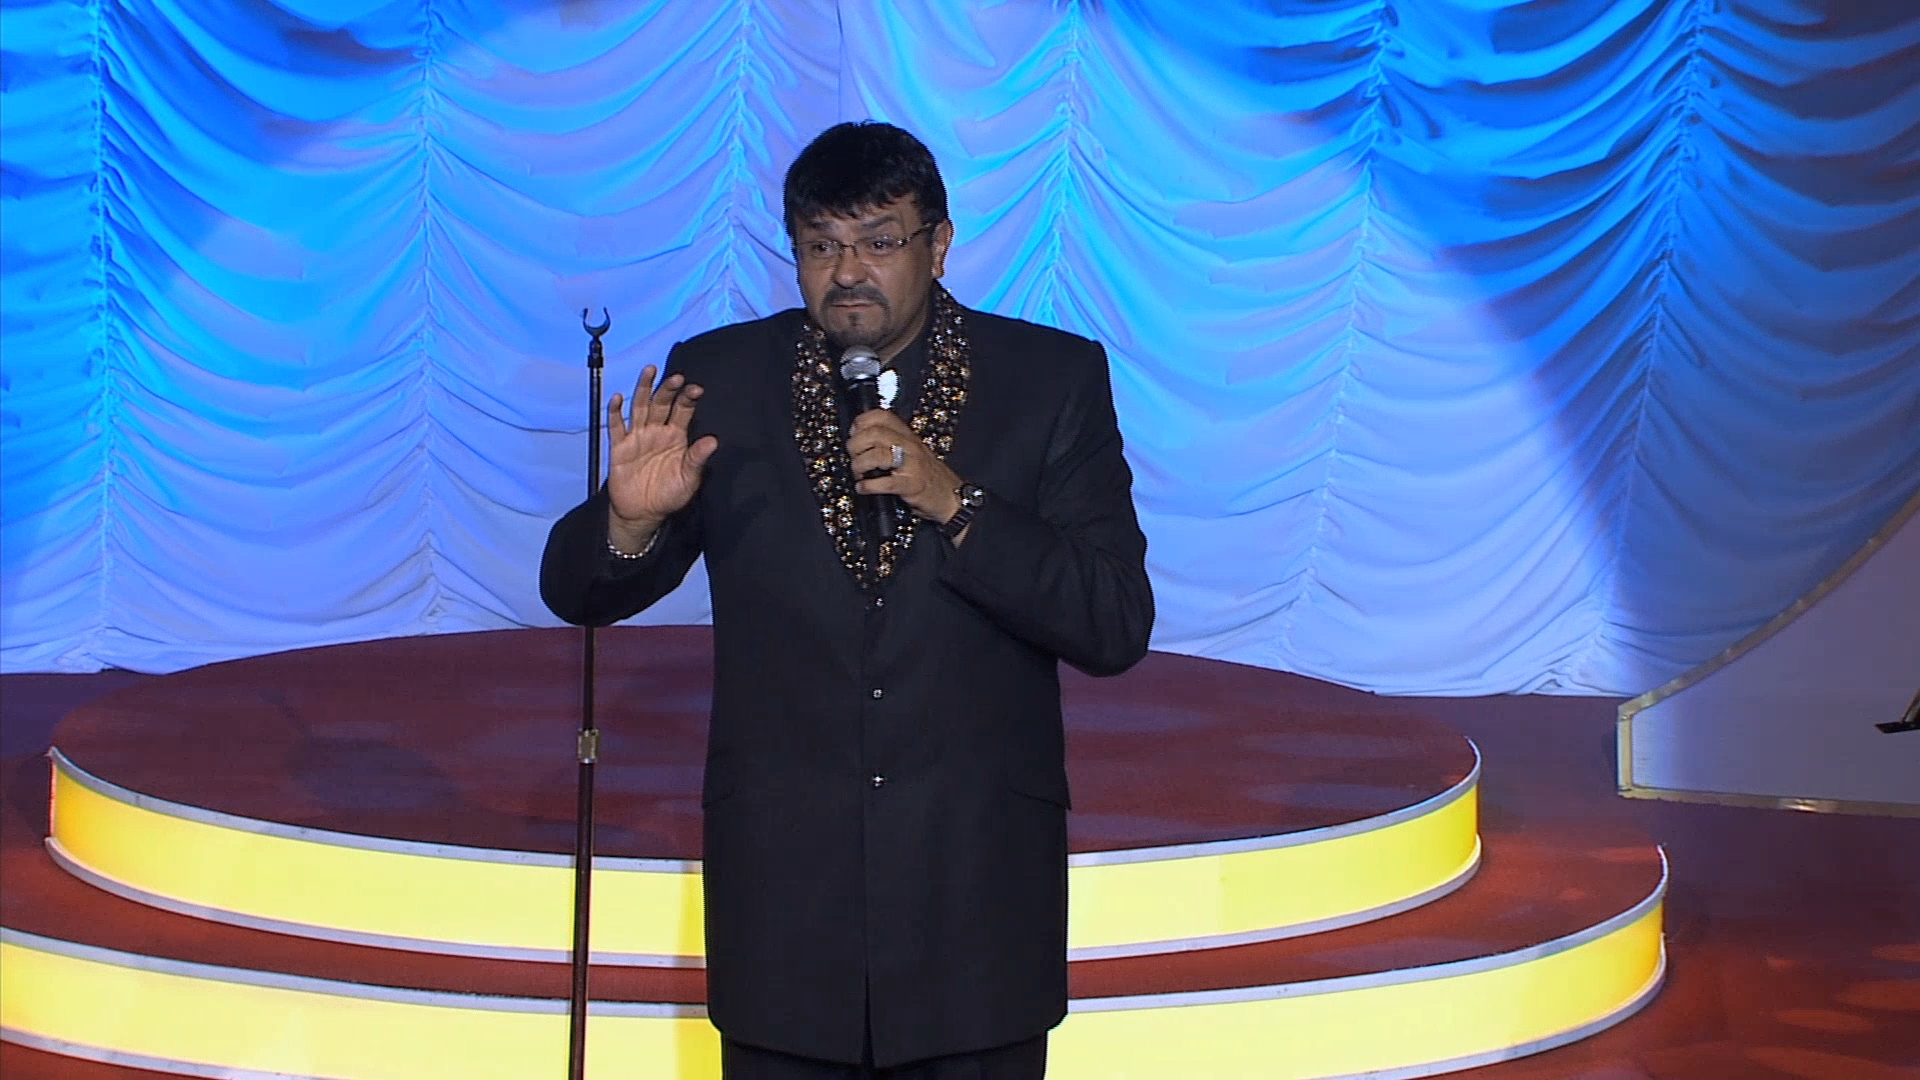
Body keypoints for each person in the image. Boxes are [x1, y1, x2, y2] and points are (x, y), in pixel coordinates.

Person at [540, 121, 1153, 1079]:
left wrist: (953, 502)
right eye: (821, 246)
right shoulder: (725, 379)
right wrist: (629, 519)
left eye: (879, 241)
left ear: (938, 245)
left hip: (973, 903)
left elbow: (1113, 620)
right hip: (786, 911)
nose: (849, 272)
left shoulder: (1047, 380)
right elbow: (578, 591)